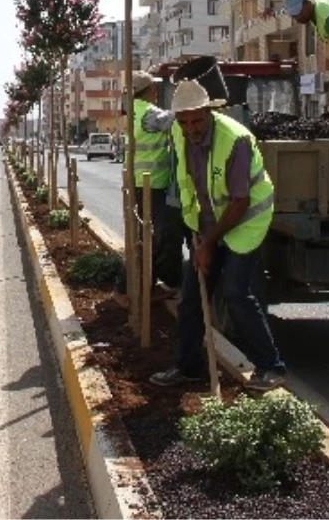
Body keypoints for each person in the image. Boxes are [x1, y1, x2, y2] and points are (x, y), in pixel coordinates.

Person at [150, 79, 286, 392]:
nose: (191, 128)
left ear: (208, 112)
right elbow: (192, 185)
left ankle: (271, 367)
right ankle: (189, 367)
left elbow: (240, 201)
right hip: (208, 225)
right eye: (183, 121)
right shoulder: (179, 132)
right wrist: (198, 236)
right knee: (191, 297)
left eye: (196, 120)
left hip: (244, 222)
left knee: (236, 293)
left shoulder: (234, 140)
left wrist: (209, 244)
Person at [114, 71, 183, 306]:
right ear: (151, 90)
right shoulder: (148, 113)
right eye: (155, 88)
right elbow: (175, 120)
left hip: (138, 181)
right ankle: (126, 289)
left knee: (145, 237)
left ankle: (144, 286)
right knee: (150, 239)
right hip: (150, 184)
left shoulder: (131, 110)